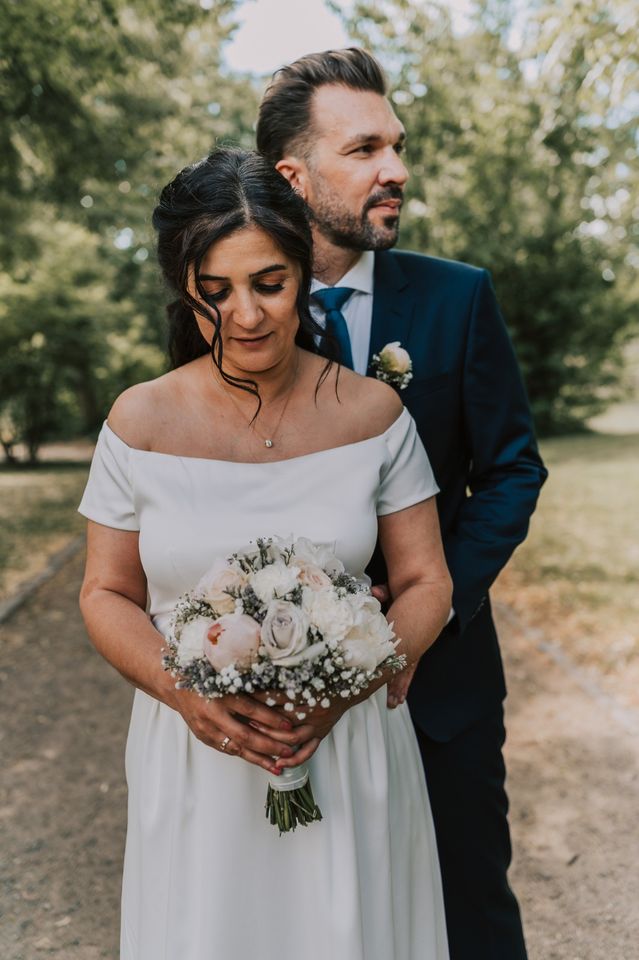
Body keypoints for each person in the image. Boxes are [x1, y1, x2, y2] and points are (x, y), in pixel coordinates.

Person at [78, 147, 452, 959]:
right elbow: (104, 593)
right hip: (196, 753)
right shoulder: (138, 423)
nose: (244, 315)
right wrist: (183, 693)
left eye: (268, 284)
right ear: (186, 287)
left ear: (304, 273)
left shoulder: (373, 414)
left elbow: (425, 581)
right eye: (216, 292)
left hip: (346, 746)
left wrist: (350, 684)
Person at [256, 47, 548, 960]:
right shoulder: (239, 307)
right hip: (284, 680)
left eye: (399, 146)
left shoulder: (460, 298)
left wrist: (423, 616)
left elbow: (510, 469)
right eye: (365, 149)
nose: (397, 170)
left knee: (469, 912)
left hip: (442, 688)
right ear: (291, 175)